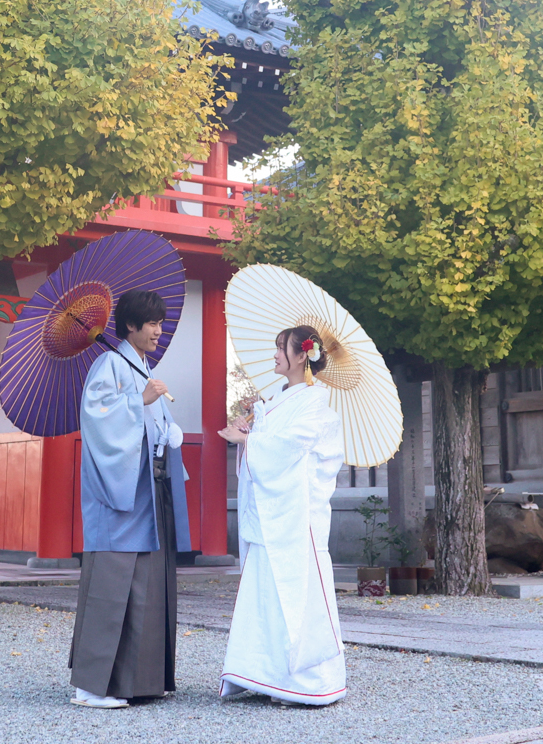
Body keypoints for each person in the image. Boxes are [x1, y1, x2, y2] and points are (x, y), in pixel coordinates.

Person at [68, 288, 191, 709]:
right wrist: (140, 400)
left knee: (146, 583)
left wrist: (168, 431)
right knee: (112, 581)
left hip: (148, 490)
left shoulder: (140, 366)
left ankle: (139, 682)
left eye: (160, 323)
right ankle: (92, 687)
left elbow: (151, 425)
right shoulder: (109, 364)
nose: (158, 330)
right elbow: (96, 420)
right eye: (151, 323)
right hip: (119, 492)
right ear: (131, 326)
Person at [217, 325, 348, 706]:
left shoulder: (314, 404)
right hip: (271, 511)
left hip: (295, 516)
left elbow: (292, 446)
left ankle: (306, 682)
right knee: (265, 593)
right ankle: (263, 675)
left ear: (302, 355)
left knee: (296, 592)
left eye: (281, 348)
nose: (275, 355)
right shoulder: (280, 400)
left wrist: (249, 440)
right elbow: (272, 445)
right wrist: (250, 430)